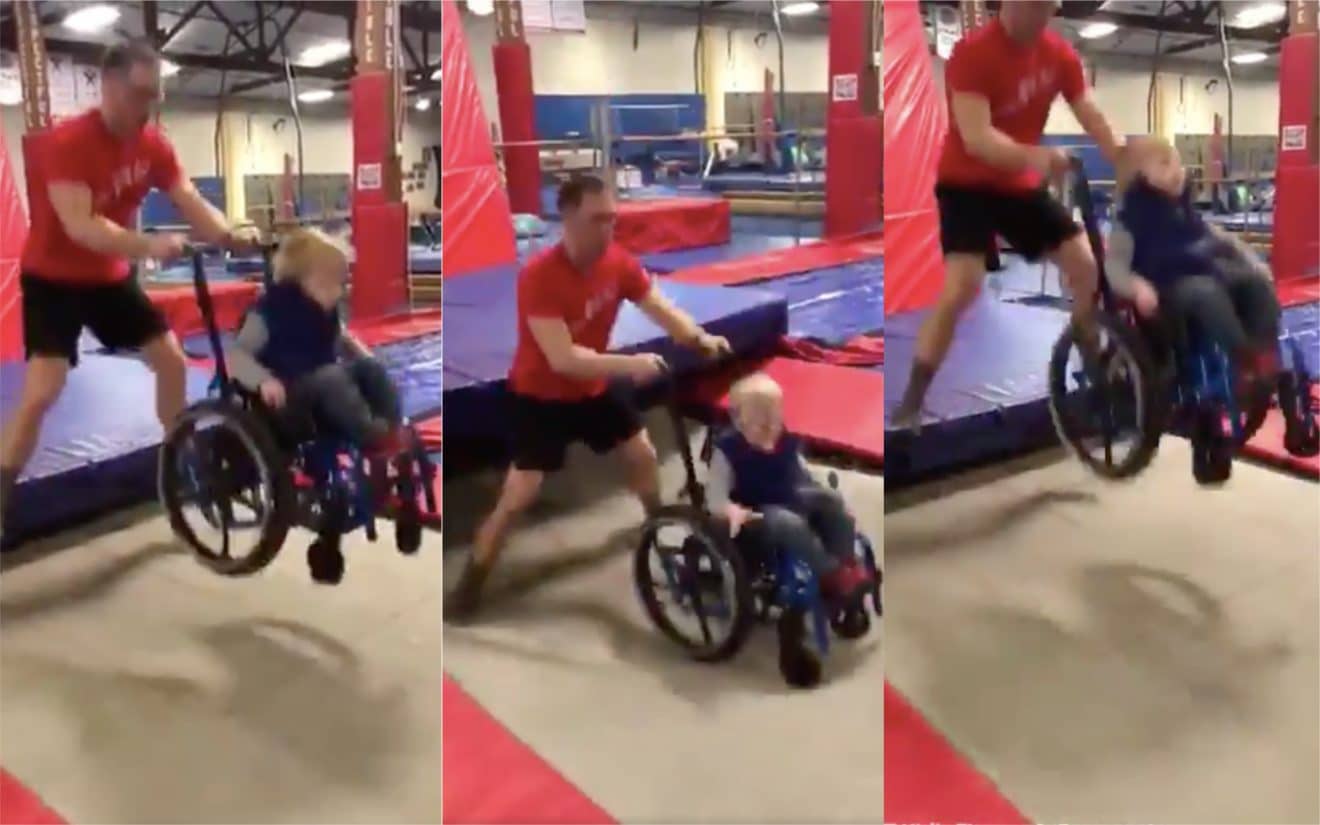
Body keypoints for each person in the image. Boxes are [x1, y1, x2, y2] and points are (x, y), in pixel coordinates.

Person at [0, 39, 258, 535]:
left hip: (107, 280)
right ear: (109, 85)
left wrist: (227, 234)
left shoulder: (154, 143)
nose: (146, 106)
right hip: (53, 279)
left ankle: (180, 458)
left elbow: (188, 198)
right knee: (43, 390)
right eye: (138, 94)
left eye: (153, 96)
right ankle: (4, 488)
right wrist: (146, 246)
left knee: (173, 362)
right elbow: (82, 226)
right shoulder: (67, 142)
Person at [447, 175, 732, 620]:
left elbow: (660, 307)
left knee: (641, 453)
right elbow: (563, 358)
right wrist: (632, 365)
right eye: (596, 220)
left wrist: (699, 338)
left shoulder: (618, 263)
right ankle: (473, 579)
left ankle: (656, 524)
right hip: (541, 395)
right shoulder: (539, 276)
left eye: (612, 219)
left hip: (593, 386)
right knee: (521, 493)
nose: (606, 230)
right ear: (567, 217)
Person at [890, 0, 1123, 430]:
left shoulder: (1060, 55)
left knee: (1085, 265)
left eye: (1045, 8)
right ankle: (913, 398)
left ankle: (1092, 359)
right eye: (1030, 7)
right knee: (963, 286)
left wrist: (1124, 160)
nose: (1038, 17)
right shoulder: (972, 53)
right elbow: (977, 138)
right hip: (966, 183)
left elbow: (1092, 115)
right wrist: (1038, 156)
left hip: (1016, 185)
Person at [1106, 137, 1280, 384]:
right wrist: (1137, 288)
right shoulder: (1129, 221)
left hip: (1202, 271)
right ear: (1140, 175)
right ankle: (1243, 359)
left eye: (1178, 163)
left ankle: (1264, 353)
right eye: (1165, 164)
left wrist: (1254, 262)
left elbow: (1221, 239)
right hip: (1164, 287)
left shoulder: (1182, 211)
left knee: (1253, 282)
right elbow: (1115, 268)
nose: (1178, 171)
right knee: (1206, 293)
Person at [226, 228, 405, 453]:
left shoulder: (323, 311)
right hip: (285, 400)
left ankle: (394, 428)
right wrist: (263, 381)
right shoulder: (269, 313)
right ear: (306, 282)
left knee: (370, 369)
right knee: (330, 377)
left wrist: (370, 362)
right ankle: (371, 434)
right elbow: (238, 356)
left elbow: (344, 339)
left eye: (343, 282)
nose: (342, 291)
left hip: (322, 391)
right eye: (335, 283)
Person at [709, 373, 874, 604]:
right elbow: (715, 497)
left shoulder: (785, 439)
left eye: (775, 418)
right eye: (760, 421)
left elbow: (800, 471)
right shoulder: (728, 451)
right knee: (789, 524)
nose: (770, 426)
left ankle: (846, 563)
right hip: (756, 511)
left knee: (832, 500)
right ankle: (830, 572)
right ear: (738, 420)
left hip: (790, 495)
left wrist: (820, 487)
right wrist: (732, 511)